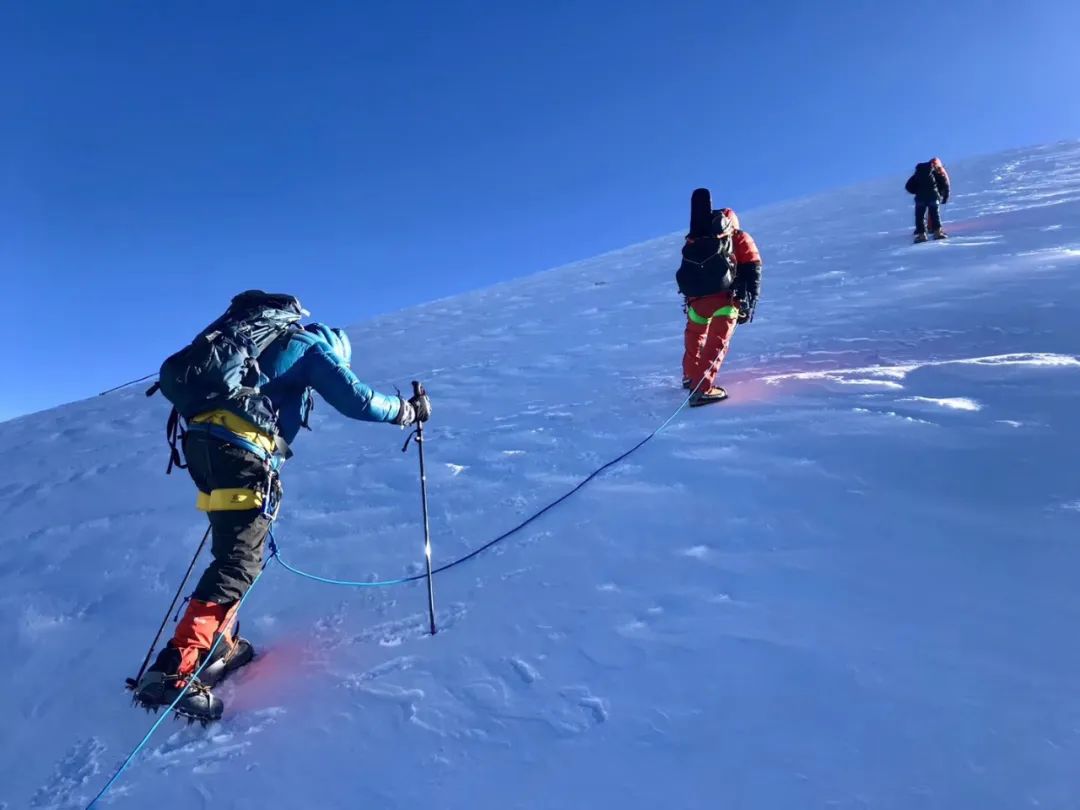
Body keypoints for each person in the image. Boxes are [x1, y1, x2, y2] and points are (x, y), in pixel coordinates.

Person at [135, 318, 431, 721]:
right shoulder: (310, 348)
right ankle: (175, 669)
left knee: (234, 552)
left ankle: (218, 644)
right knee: (238, 561)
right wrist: (409, 411)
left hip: (205, 447)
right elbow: (358, 400)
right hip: (239, 451)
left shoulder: (259, 350)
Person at [677, 189, 762, 406]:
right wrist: (749, 302)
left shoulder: (697, 239)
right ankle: (702, 389)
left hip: (695, 300)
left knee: (694, 338)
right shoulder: (738, 237)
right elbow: (753, 268)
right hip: (725, 298)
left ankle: (690, 377)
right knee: (717, 342)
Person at [905, 157, 951, 242]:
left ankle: (922, 236)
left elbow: (908, 186)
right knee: (935, 214)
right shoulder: (936, 172)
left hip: (920, 198)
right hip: (933, 196)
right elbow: (945, 183)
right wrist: (944, 196)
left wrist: (917, 191)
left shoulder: (918, 174)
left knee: (920, 217)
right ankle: (938, 233)